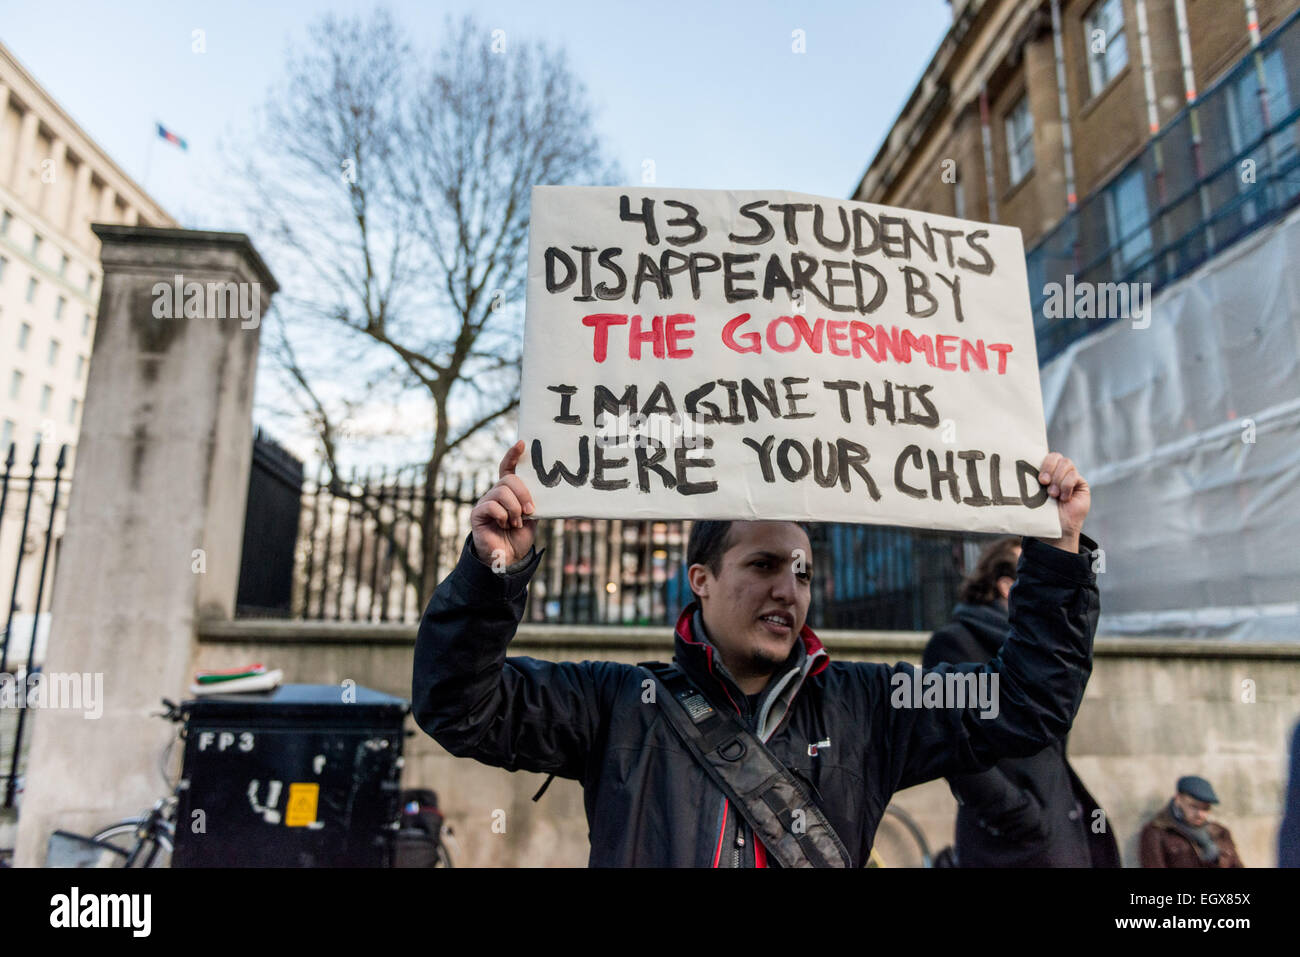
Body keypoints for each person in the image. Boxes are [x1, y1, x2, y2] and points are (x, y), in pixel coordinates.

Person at [412, 441, 1101, 866]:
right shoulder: (617, 703)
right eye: (765, 564)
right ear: (701, 579)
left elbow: (1027, 702)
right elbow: (459, 706)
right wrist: (490, 574)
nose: (787, 589)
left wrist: (1059, 549)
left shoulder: (871, 707)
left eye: (801, 571)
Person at [924, 537, 1120, 867]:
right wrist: (1021, 816)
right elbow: (953, 748)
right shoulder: (955, 643)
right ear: (1006, 586)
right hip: (1011, 843)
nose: (1048, 584)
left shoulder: (1042, 653)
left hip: (1060, 829)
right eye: (1038, 573)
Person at [1138, 776, 1245, 868]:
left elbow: (1237, 865)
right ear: (1178, 799)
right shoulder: (1156, 833)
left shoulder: (1220, 832)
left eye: (1206, 808)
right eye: (1194, 806)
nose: (1200, 814)